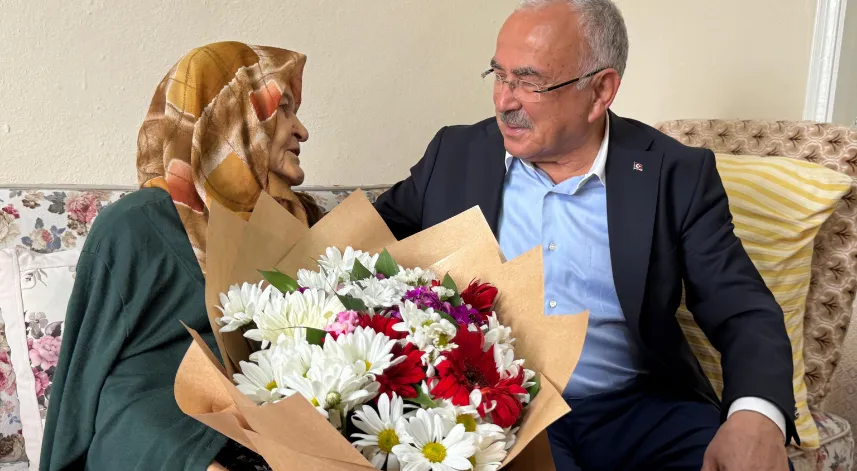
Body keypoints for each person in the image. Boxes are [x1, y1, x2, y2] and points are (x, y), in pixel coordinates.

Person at [374, 1, 797, 470]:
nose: (504, 102)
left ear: (600, 91)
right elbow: (362, 246)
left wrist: (757, 415)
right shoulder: (454, 155)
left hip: (641, 408)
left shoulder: (674, 173)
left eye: (529, 82)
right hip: (502, 412)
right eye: (499, 75)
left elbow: (740, 308)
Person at [40, 42, 322, 471]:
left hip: (277, 407)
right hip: (159, 415)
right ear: (229, 115)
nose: (302, 130)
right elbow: (84, 370)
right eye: (283, 109)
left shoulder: (306, 221)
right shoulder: (135, 223)